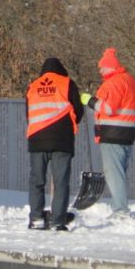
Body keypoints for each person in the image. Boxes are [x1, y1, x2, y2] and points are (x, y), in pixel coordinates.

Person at [25, 56, 85, 231]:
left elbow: (28, 114)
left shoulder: (33, 86)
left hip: (37, 140)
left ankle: (36, 218)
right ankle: (58, 220)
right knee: (60, 182)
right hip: (61, 140)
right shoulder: (67, 83)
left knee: (37, 181)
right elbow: (78, 111)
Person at [92, 47, 135, 217]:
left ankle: (121, 210)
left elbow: (108, 108)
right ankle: (118, 206)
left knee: (113, 173)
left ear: (110, 67)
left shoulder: (114, 83)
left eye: (102, 67)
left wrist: (90, 101)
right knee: (119, 172)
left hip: (113, 134)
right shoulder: (131, 81)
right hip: (127, 133)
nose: (100, 70)